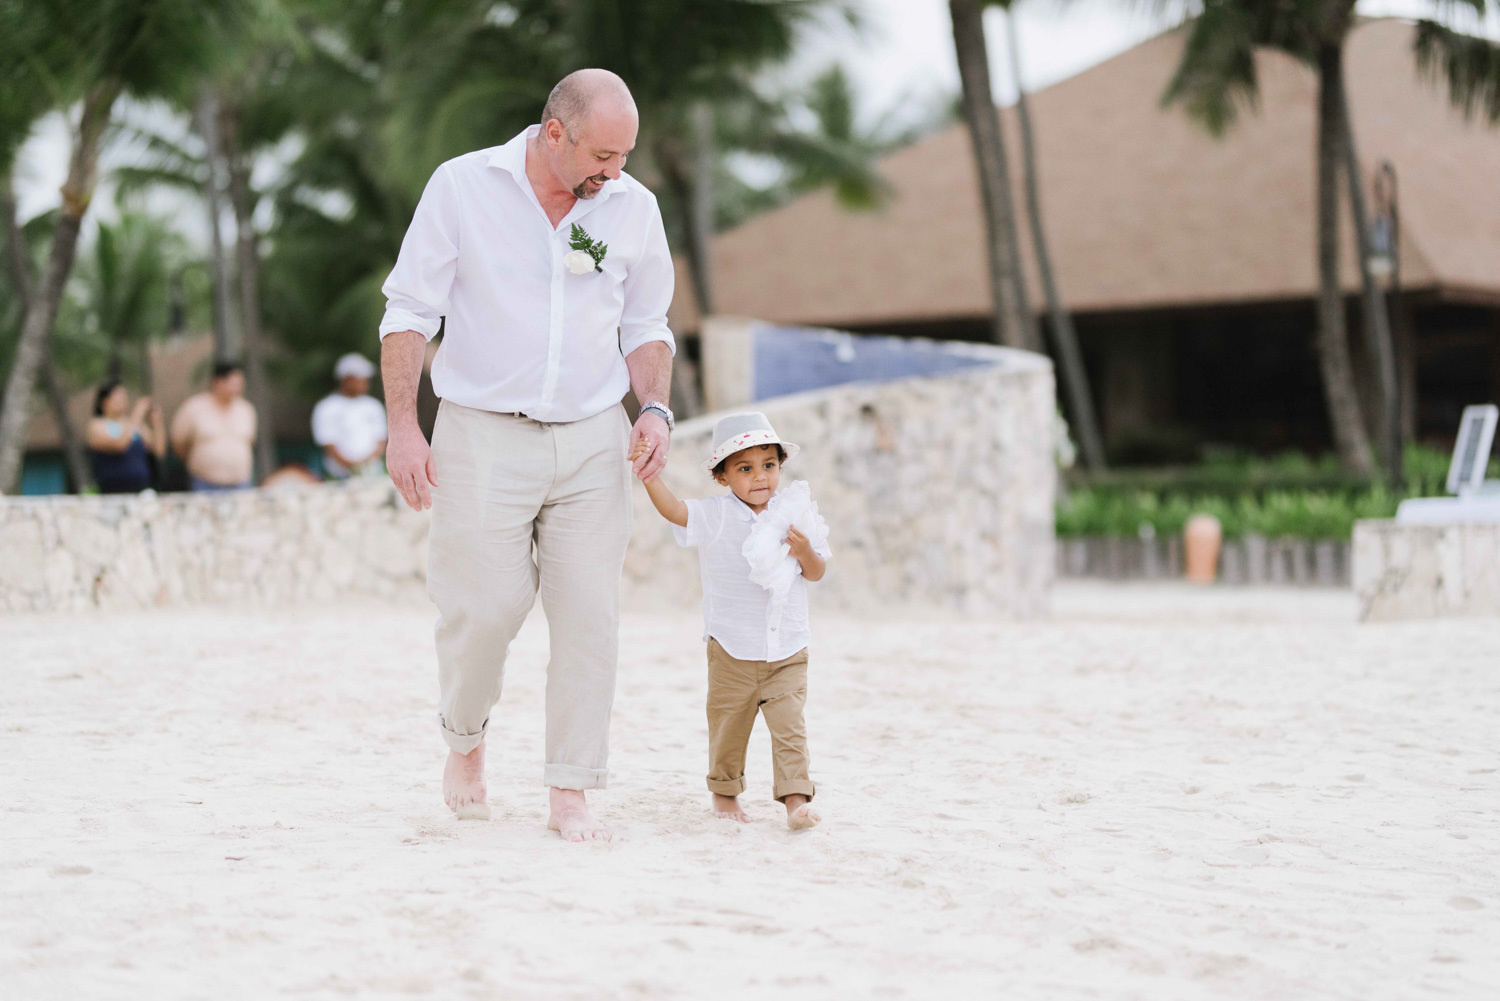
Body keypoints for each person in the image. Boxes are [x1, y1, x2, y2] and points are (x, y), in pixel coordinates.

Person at [379, 69, 676, 840]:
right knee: (483, 609)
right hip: (480, 430)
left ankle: (571, 787)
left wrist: (654, 408)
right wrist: (404, 427)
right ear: (554, 133)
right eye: (603, 156)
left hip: (593, 436)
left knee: (589, 617)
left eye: (624, 156)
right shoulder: (461, 187)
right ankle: (465, 739)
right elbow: (409, 310)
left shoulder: (634, 208)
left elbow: (648, 324)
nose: (615, 172)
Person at [634, 412, 831, 830]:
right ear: (722, 477)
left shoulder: (794, 513)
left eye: (768, 465)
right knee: (728, 727)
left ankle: (796, 800)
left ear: (780, 467)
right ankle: (725, 795)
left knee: (790, 729)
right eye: (745, 468)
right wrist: (649, 475)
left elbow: (816, 572)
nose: (760, 477)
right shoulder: (716, 515)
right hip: (730, 650)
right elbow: (674, 511)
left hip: (787, 649)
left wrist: (804, 553)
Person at [170, 361, 258, 492]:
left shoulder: (246, 409)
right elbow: (179, 443)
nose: (238, 389)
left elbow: (250, 441)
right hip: (205, 484)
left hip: (241, 484)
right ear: (218, 382)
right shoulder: (194, 408)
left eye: (240, 384)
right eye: (233, 384)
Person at [312, 353, 387, 480]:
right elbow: (328, 443)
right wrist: (353, 467)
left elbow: (381, 440)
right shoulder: (327, 407)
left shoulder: (373, 406)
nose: (365, 382)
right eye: (360, 378)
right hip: (339, 476)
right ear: (346, 379)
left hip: (373, 474)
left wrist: (365, 464)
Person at [87, 380, 165, 494]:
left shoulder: (136, 424)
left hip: (141, 488)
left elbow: (158, 451)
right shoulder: (97, 425)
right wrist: (137, 414)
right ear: (104, 401)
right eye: (117, 396)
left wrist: (157, 423)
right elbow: (120, 445)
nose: (122, 400)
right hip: (111, 491)